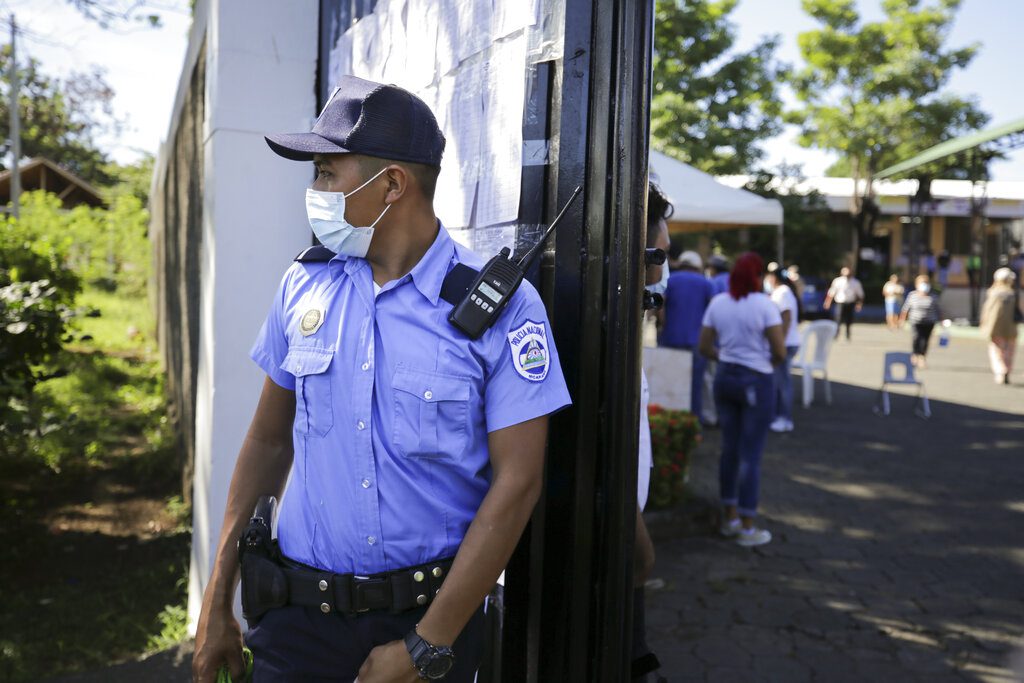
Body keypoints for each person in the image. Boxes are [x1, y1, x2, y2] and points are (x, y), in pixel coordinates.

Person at [191, 76, 571, 683]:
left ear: (391, 184)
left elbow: (519, 482)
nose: (314, 191)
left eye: (325, 172)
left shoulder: (501, 306)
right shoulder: (305, 284)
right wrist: (217, 605)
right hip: (295, 622)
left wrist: (427, 646)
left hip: (425, 621)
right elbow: (267, 442)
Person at [698, 253, 785, 547]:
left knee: (729, 449)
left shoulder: (719, 303)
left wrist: (725, 357)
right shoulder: (765, 305)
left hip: (725, 378)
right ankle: (748, 526)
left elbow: (704, 346)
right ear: (757, 277)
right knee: (751, 455)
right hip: (756, 381)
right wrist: (766, 364)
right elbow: (780, 351)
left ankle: (730, 517)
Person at [660, 250, 713, 423]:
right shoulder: (705, 283)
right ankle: (693, 423)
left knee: (669, 383)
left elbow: (659, 307)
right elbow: (712, 313)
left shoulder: (670, 280)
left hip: (670, 339)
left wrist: (663, 324)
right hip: (697, 342)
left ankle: (670, 423)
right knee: (695, 386)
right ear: (697, 266)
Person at [765, 264, 800, 433]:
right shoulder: (783, 291)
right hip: (786, 342)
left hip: (785, 342)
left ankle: (784, 417)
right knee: (780, 381)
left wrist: (780, 343)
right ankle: (781, 416)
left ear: (773, 277)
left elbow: (786, 317)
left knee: (782, 382)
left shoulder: (782, 292)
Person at [979, 267, 1019, 384]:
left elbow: (987, 310)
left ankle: (1000, 370)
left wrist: (984, 323)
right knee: (1009, 350)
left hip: (995, 327)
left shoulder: (993, 293)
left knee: (996, 350)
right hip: (1011, 328)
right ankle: (1006, 368)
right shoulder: (1013, 294)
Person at [899, 274, 942, 368]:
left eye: (926, 283)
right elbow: (905, 308)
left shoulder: (933, 297)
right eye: (922, 283)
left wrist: (941, 321)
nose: (924, 285)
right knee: (916, 338)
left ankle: (922, 357)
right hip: (915, 321)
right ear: (917, 284)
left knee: (925, 340)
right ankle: (915, 355)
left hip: (929, 322)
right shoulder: (912, 295)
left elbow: (938, 309)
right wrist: (902, 320)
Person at [823, 266, 864, 340]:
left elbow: (860, 295)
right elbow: (831, 292)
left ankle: (848, 334)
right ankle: (836, 333)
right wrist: (827, 302)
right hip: (840, 302)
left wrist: (859, 304)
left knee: (849, 319)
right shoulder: (837, 281)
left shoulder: (855, 282)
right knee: (837, 318)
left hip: (850, 302)